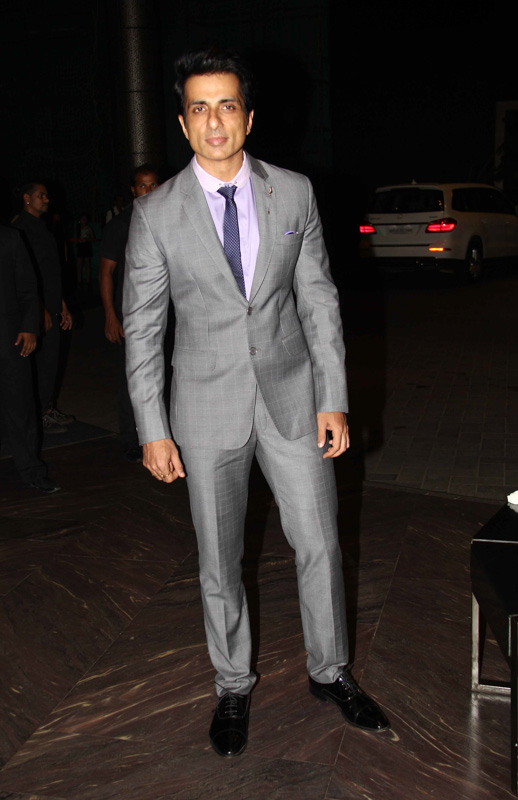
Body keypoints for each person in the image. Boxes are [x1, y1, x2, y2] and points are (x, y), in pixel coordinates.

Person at [123, 49, 390, 758]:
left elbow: (319, 299)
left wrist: (333, 398)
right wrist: (152, 428)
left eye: (228, 105)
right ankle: (233, 684)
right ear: (184, 123)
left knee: (321, 544)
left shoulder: (293, 193)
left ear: (248, 117)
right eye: (200, 108)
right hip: (204, 412)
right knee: (220, 561)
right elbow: (143, 331)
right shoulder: (155, 214)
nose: (215, 121)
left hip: (293, 399)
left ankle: (331, 672)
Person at [99, 165, 160, 462]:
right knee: (132, 377)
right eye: (142, 186)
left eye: (153, 185)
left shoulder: (167, 218)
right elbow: (105, 273)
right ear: (134, 190)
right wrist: (111, 316)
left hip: (165, 313)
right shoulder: (121, 225)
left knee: (167, 374)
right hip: (131, 315)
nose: (148, 191)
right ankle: (131, 439)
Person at [0, 224, 60, 492]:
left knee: (21, 405)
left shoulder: (8, 236)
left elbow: (27, 285)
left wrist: (29, 327)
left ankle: (31, 470)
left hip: (10, 339)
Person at [13, 183, 74, 434]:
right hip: (36, 309)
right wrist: (39, 308)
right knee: (40, 363)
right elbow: (26, 275)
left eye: (47, 195)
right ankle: (38, 415)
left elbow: (50, 271)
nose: (46, 199)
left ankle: (47, 408)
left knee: (51, 360)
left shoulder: (42, 227)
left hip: (51, 303)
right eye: (41, 195)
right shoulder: (21, 228)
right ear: (27, 198)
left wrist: (62, 304)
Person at [75, 213, 95, 287]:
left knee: (87, 265)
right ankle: (79, 281)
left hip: (86, 246)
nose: (83, 220)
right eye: (82, 219)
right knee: (79, 265)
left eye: (85, 219)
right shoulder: (78, 228)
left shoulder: (88, 228)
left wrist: (86, 240)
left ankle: (88, 281)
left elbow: (93, 238)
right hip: (80, 247)